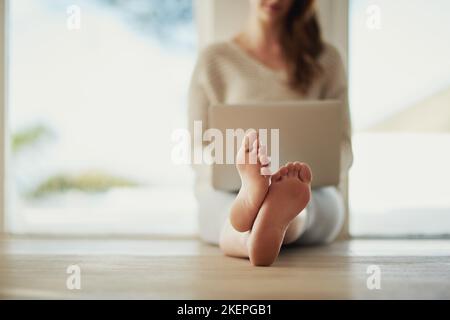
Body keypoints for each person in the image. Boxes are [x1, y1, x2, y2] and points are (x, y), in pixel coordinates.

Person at [188, 0, 353, 266]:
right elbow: (196, 147)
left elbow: (344, 148)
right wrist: (237, 169)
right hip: (225, 192)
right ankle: (260, 206)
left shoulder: (327, 60)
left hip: (313, 189)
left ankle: (263, 222)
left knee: (317, 203)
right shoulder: (215, 59)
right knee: (222, 207)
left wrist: (303, 176)